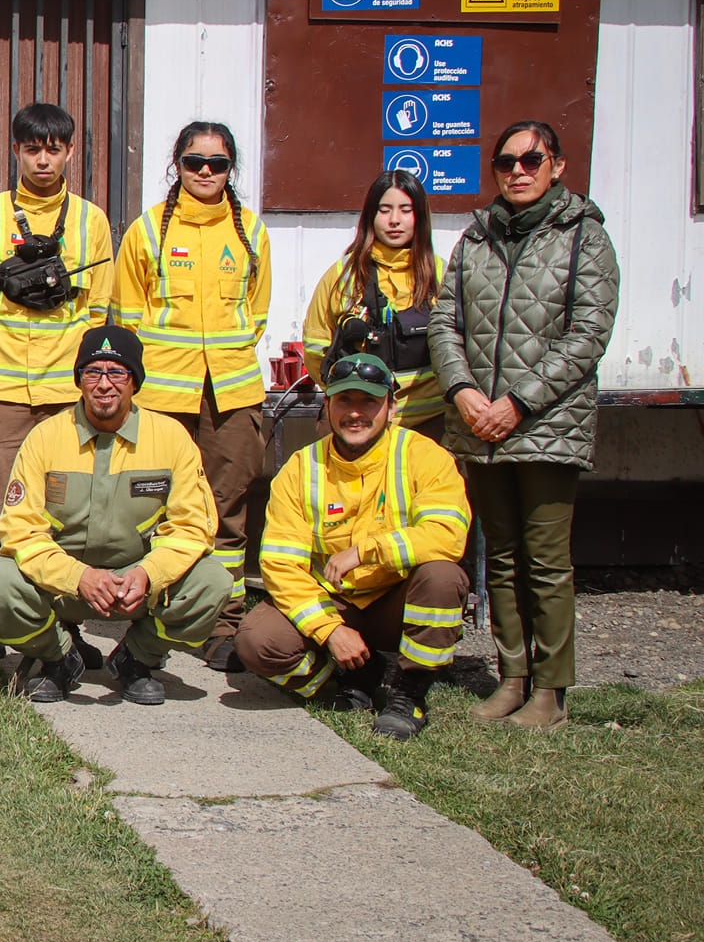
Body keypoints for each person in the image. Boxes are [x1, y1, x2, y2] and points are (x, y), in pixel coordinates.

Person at [430, 121, 618, 731]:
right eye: (504, 161)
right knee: (502, 559)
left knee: (545, 559)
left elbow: (588, 334)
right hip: (480, 427)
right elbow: (444, 322)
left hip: (546, 425)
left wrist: (518, 402)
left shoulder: (585, 236)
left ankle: (552, 692)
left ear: (557, 164)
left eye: (531, 158)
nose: (517, 170)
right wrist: (461, 391)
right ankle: (512, 679)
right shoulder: (475, 237)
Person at [0, 326, 234, 704]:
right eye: (93, 372)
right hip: (64, 587)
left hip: (139, 587)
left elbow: (193, 528)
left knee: (213, 581)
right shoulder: (45, 438)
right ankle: (59, 657)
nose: (104, 385)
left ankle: (138, 658)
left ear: (135, 382)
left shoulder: (172, 438)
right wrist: (77, 578)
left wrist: (148, 574)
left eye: (117, 373)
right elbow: (20, 531)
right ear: (79, 381)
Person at [0, 102, 114, 671]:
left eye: (54, 148)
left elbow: (98, 310)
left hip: (67, 395)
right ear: (15, 152)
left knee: (64, 515)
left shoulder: (90, 222)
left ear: (70, 152)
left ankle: (63, 627)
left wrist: (84, 382)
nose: (43, 159)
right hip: (1, 391)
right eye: (32, 148)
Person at [238, 352, 472, 740]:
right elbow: (280, 566)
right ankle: (354, 673)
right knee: (256, 643)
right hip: (337, 602)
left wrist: (366, 551)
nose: (355, 413)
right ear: (327, 406)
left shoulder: (425, 456)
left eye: (369, 402)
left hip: (397, 600)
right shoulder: (299, 467)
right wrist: (330, 631)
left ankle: (409, 694)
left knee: (444, 576)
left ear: (392, 407)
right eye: (345, 400)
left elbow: (448, 534)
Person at [111, 121, 270, 671]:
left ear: (231, 169)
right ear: (175, 165)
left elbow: (257, 314)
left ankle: (219, 626)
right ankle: (151, 612)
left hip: (232, 394)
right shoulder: (148, 230)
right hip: (164, 397)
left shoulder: (251, 229)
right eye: (194, 161)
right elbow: (128, 316)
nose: (206, 171)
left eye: (218, 163)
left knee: (227, 515)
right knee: (157, 511)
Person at [303, 170, 447, 438]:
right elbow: (315, 348)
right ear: (370, 216)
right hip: (360, 421)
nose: (395, 220)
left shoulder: (440, 275)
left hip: (431, 422)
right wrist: (350, 396)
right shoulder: (343, 276)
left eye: (406, 210)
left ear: (420, 217)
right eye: (384, 210)